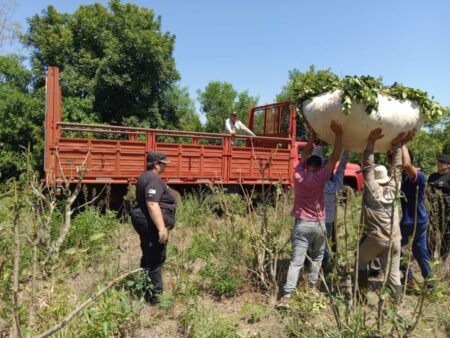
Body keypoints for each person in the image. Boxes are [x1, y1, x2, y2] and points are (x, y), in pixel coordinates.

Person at [279, 121, 343, 305]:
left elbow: (304, 155)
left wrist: (312, 137)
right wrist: (339, 136)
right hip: (320, 224)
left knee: (296, 262)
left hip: (302, 224)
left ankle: (287, 296)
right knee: (317, 257)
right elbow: (335, 158)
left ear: (306, 166)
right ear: (319, 167)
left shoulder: (299, 175)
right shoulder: (322, 176)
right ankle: (312, 288)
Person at [357, 129, 406, 305]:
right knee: (393, 275)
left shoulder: (371, 190)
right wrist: (398, 145)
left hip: (376, 239)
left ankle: (361, 297)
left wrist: (371, 141)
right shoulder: (394, 187)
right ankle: (397, 305)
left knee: (360, 262)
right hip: (395, 240)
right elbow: (398, 169)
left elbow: (368, 167)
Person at [130, 151, 177, 304]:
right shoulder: (154, 179)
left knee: (147, 254)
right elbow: (152, 204)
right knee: (156, 259)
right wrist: (161, 228)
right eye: (164, 163)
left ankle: (145, 290)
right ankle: (157, 299)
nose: (165, 166)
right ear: (156, 164)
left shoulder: (145, 176)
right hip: (150, 223)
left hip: (142, 220)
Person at [399, 136, 433, 289]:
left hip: (413, 221)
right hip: (417, 219)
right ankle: (429, 285)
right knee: (419, 251)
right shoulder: (403, 177)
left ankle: (409, 277)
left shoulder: (417, 176)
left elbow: (406, 164)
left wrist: (403, 143)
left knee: (392, 248)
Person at [312, 143, 349, 269]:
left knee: (314, 242)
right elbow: (342, 167)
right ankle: (324, 265)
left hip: (315, 217)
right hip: (328, 219)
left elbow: (317, 159)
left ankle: (313, 263)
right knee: (326, 243)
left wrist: (321, 145)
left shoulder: (318, 180)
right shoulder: (336, 183)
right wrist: (346, 150)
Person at [428, 153, 450, 259]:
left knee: (446, 235)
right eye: (438, 162)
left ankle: (444, 258)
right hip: (433, 211)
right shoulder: (433, 176)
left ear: (448, 165)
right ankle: (430, 257)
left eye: (442, 162)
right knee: (431, 233)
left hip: (446, 212)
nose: (439, 164)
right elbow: (427, 192)